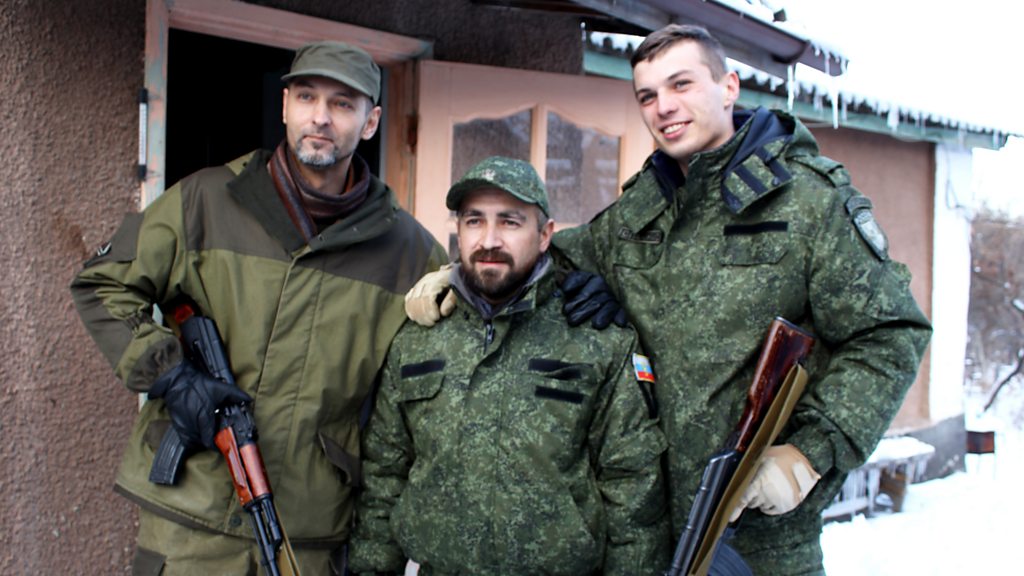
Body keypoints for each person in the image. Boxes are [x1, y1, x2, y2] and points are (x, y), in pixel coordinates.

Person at [403, 25, 932, 575]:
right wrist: (458, 277)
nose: (664, 107)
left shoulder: (808, 203)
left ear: (728, 87)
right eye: (647, 95)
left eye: (681, 85)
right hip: (652, 536)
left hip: (759, 539)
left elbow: (889, 336)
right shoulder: (644, 206)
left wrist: (808, 452)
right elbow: (554, 255)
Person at [70, 41, 447, 575]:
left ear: (371, 122)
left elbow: (463, 345)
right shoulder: (204, 199)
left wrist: (561, 276)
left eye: (343, 103)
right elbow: (103, 283)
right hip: (190, 520)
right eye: (307, 97)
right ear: (285, 106)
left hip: (307, 529)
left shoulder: (410, 252)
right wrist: (173, 377)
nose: (321, 116)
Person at [348, 156, 671, 575]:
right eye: (474, 221)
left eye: (510, 222)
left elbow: (632, 488)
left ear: (545, 235)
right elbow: (384, 476)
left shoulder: (597, 339)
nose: (489, 240)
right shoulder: (417, 340)